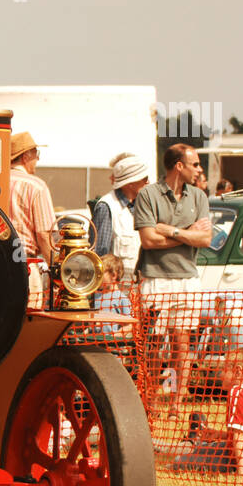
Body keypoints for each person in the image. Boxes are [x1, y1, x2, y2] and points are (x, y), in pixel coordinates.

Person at [133, 143, 210, 414]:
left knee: (182, 344)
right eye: (196, 164)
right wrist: (187, 232)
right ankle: (151, 398)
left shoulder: (199, 196)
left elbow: (206, 238)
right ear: (179, 166)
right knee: (153, 344)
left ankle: (177, 403)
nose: (200, 170)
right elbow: (149, 240)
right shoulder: (147, 194)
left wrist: (173, 231)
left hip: (188, 278)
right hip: (155, 278)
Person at [172, 347, 243, 477]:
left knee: (180, 461)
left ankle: (192, 442)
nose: (220, 374)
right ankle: (196, 441)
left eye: (224, 369)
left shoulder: (238, 392)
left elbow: (242, 437)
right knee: (208, 447)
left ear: (237, 372)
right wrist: (221, 434)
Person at [7, 131, 55, 308]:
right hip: (25, 264)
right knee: (29, 321)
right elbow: (44, 235)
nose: (37, 160)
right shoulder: (36, 186)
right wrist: (56, 272)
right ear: (26, 156)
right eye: (36, 155)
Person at [91, 152, 148, 279]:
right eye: (144, 178)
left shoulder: (143, 205)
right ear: (130, 183)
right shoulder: (107, 207)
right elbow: (100, 255)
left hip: (138, 284)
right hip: (115, 289)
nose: (147, 182)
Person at [91, 253, 133, 338]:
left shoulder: (121, 299)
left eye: (100, 273)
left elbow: (129, 325)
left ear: (113, 275)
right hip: (94, 341)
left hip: (111, 344)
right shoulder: (95, 296)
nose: (97, 277)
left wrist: (115, 336)